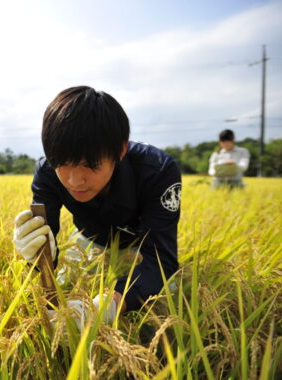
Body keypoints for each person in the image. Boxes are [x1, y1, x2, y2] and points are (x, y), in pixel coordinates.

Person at [13, 86, 181, 328]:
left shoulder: (158, 170)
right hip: (88, 240)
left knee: (166, 295)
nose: (74, 181)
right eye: (62, 164)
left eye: (90, 165)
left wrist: (105, 306)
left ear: (120, 150)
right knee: (63, 285)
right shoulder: (47, 173)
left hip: (139, 245)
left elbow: (161, 260)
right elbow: (45, 245)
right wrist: (35, 254)